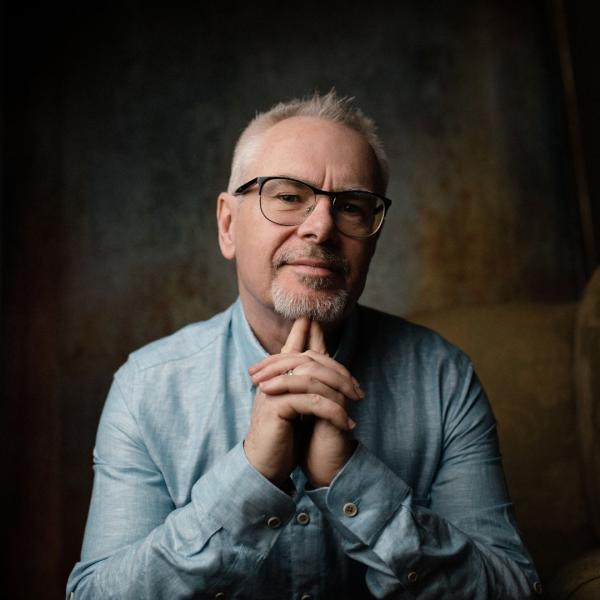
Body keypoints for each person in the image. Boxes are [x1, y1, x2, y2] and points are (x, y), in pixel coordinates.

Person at [67, 91, 542, 599]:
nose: (320, 228)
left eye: (352, 207)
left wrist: (350, 479)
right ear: (228, 225)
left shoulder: (444, 379)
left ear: (373, 238)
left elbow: (516, 591)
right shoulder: (147, 388)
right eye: (289, 197)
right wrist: (252, 475)